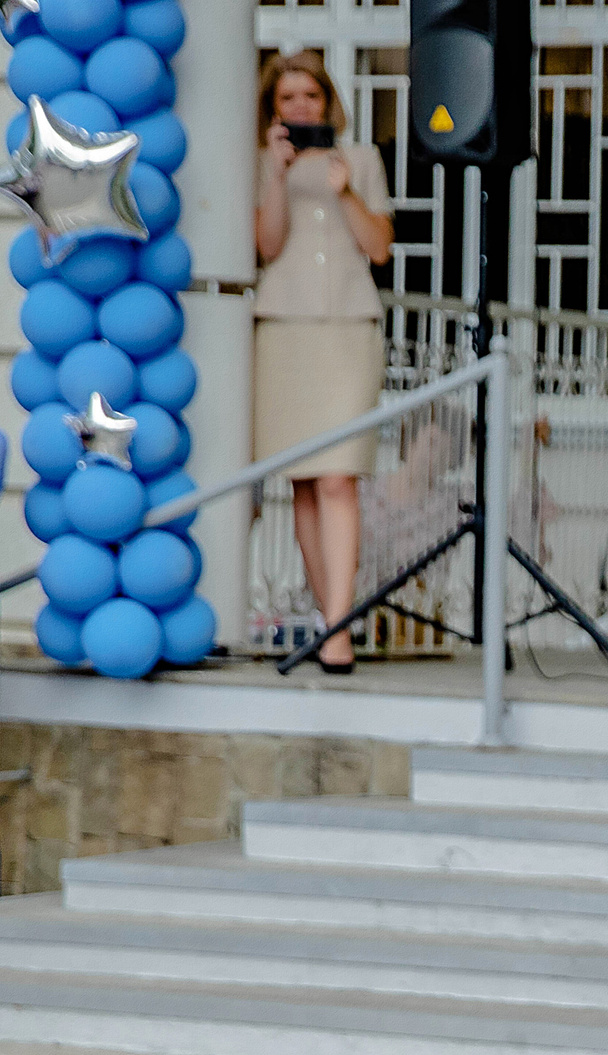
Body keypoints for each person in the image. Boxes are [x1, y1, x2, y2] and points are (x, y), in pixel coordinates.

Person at [253, 51, 393, 675]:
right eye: (288, 98)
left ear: (328, 100)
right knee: (304, 483)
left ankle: (338, 629)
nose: (301, 107)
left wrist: (346, 191)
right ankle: (325, 618)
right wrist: (277, 174)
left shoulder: (360, 158)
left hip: (345, 329)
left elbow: (380, 248)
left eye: (310, 95)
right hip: (283, 328)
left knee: (339, 477)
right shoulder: (258, 161)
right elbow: (266, 245)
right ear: (273, 107)